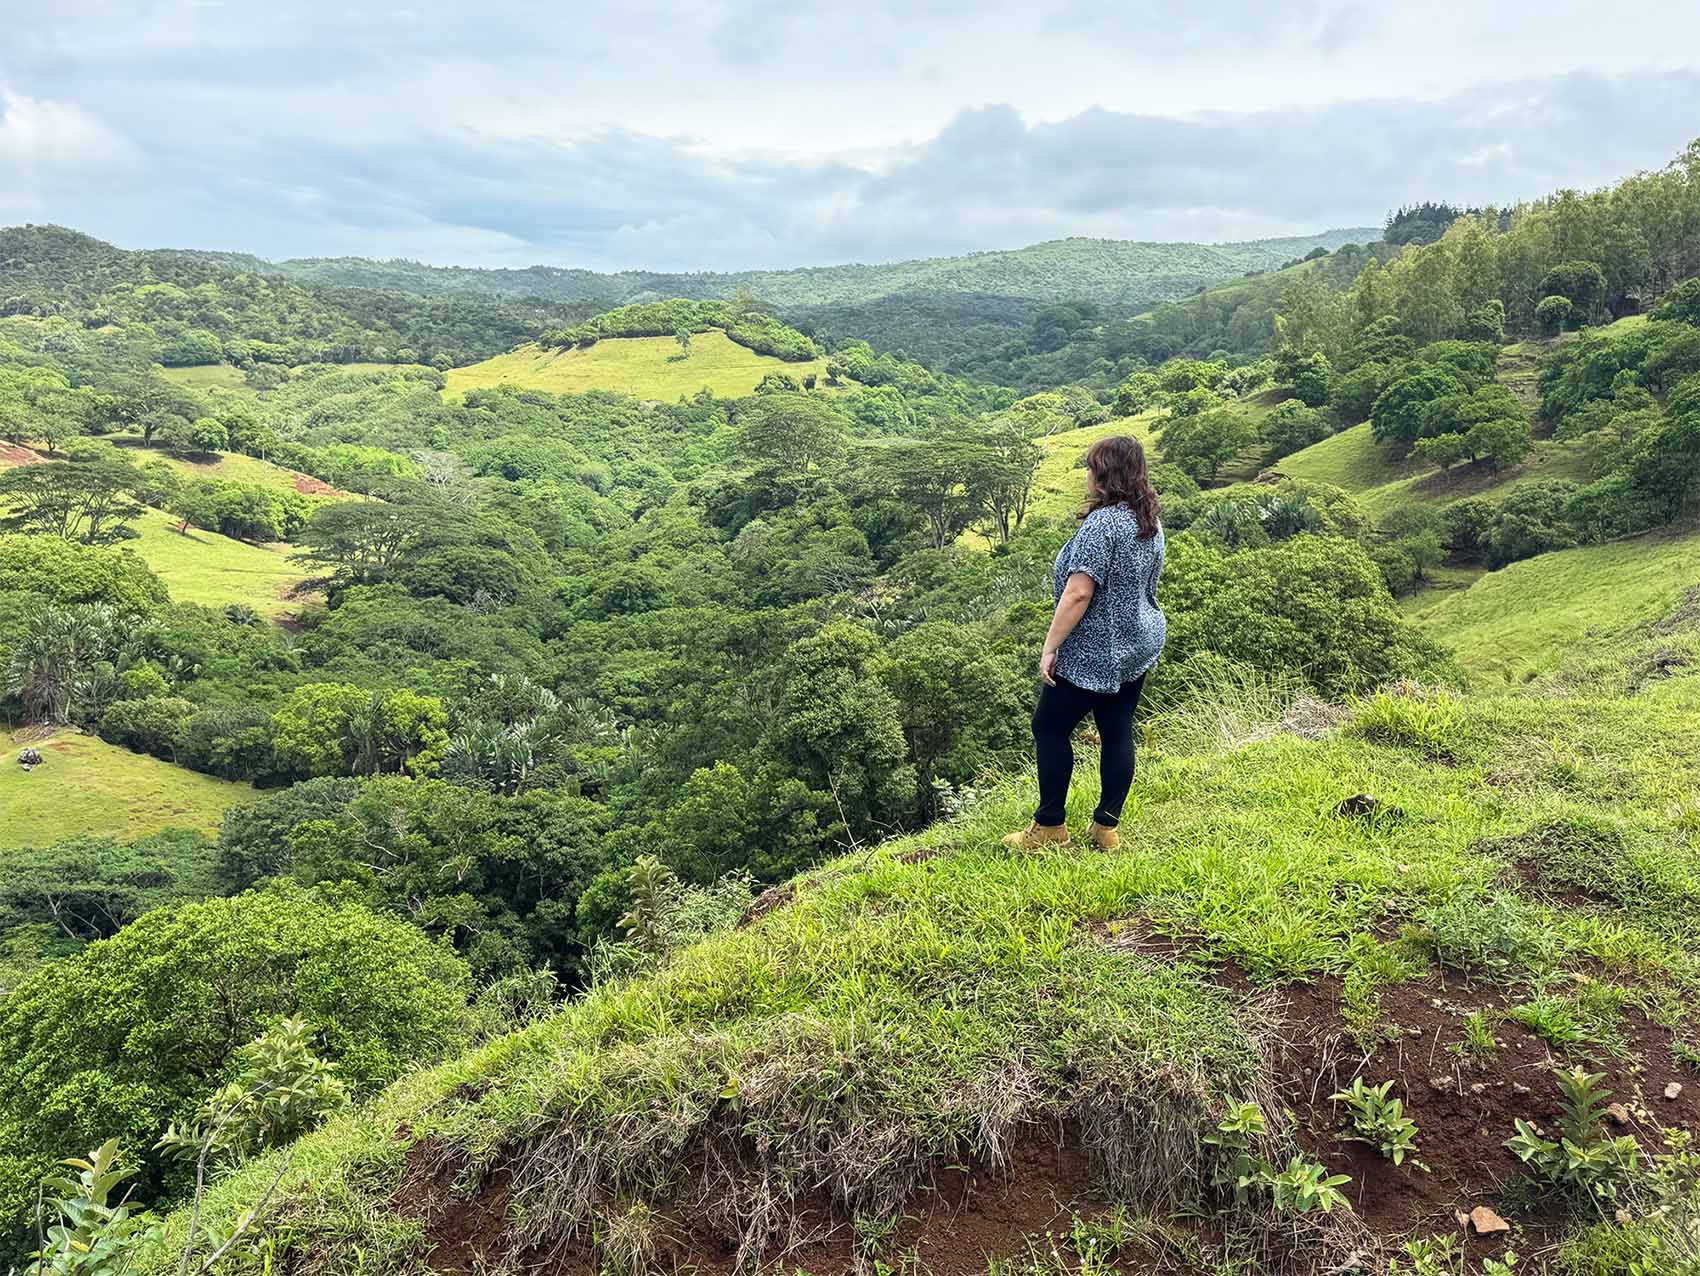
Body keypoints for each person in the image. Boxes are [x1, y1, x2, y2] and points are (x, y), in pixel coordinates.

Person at [1002, 434, 1166, 851]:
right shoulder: (1148, 517)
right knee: (1116, 729)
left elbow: (1078, 593)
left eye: (1092, 467)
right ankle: (1105, 827)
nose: (1086, 475)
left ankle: (1050, 826)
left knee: (1049, 726)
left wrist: (1050, 645)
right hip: (1137, 641)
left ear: (1104, 475)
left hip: (1098, 649)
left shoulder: (1103, 524)